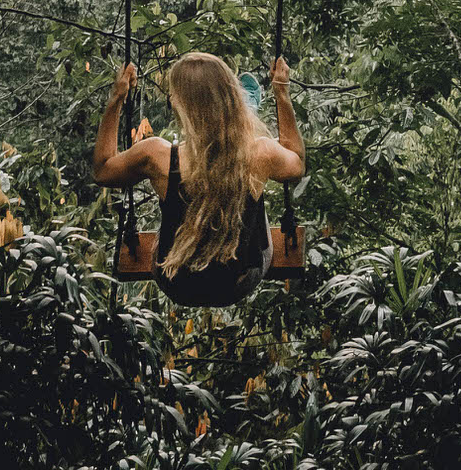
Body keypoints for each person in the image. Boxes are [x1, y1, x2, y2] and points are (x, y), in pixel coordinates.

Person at [92, 51, 305, 305]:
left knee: (178, 214)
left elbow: (103, 169)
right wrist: (281, 91)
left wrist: (117, 97)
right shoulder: (261, 152)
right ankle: (242, 117)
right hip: (237, 284)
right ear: (230, 96)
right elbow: (297, 162)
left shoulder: (156, 156)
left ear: (180, 104)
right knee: (252, 193)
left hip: (176, 284)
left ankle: (231, 121)